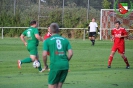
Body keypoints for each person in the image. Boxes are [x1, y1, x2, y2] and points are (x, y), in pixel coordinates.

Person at [42, 23, 73, 88]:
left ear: (50, 30)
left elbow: (44, 55)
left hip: (55, 65)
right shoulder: (65, 40)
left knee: (52, 85)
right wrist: (66, 61)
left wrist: (45, 65)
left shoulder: (47, 41)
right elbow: (70, 53)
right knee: (59, 85)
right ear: (58, 30)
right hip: (65, 65)